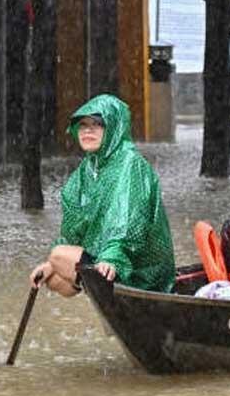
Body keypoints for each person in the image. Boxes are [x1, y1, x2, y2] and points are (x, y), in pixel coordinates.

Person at [28, 94, 175, 296]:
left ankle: (108, 283)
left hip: (140, 269)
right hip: (104, 258)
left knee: (59, 255)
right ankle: (102, 287)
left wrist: (113, 258)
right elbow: (74, 228)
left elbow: (131, 221)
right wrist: (49, 266)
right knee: (54, 279)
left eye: (97, 124)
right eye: (83, 124)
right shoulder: (85, 171)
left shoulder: (130, 163)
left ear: (113, 127)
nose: (88, 130)